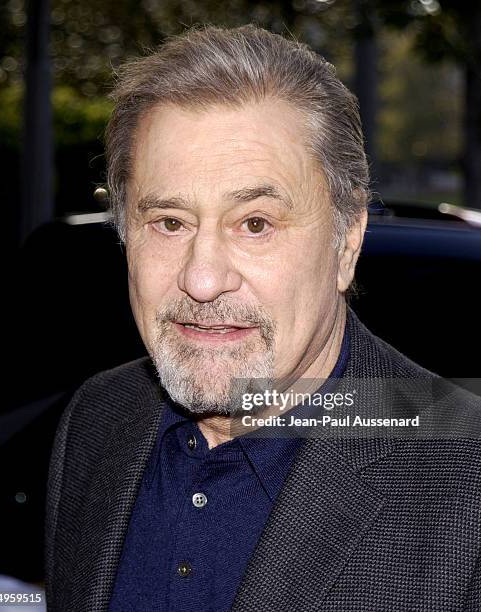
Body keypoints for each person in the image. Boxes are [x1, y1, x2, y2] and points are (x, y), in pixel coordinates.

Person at [44, 24, 481, 611]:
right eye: (169, 222)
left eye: (255, 224)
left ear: (347, 240)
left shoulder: (464, 479)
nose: (202, 279)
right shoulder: (96, 421)